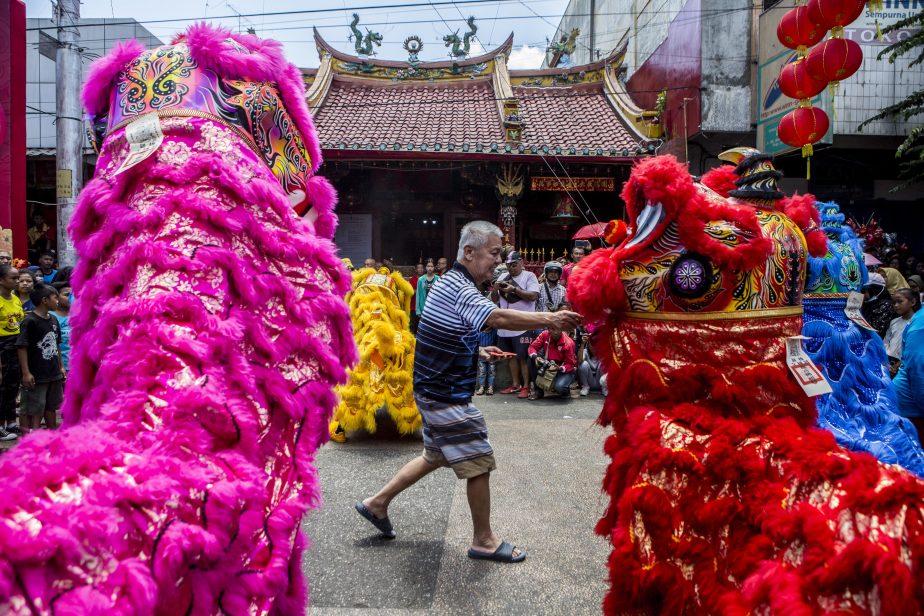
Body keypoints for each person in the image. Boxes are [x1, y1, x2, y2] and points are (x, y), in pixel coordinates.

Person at [355, 220, 581, 563]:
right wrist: (550, 320)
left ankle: (377, 503)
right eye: (493, 253)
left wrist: (475, 351)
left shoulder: (452, 286)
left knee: (435, 455)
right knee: (478, 460)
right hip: (444, 394)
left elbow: (440, 332)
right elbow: (497, 319)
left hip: (434, 390)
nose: (498, 262)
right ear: (469, 252)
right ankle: (484, 540)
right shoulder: (459, 287)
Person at [16, 284, 65, 435]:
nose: (57, 301)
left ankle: (52, 437)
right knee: (31, 408)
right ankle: (28, 441)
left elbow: (56, 345)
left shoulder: (54, 320)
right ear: (44, 300)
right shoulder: (29, 321)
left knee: (50, 406)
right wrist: (26, 373)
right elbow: (21, 347)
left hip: (53, 372)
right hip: (36, 374)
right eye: (55, 297)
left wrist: (61, 366)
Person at [492, 251, 540, 398]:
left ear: (521, 262)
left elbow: (533, 296)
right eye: (509, 265)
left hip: (523, 324)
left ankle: (526, 386)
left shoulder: (529, 276)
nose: (511, 268)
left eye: (514, 265)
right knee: (510, 356)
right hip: (505, 325)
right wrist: (496, 289)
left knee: (523, 356)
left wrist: (514, 290)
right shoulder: (502, 277)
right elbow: (494, 299)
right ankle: (515, 384)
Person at [527, 322, 577, 400]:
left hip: (563, 369)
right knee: (531, 359)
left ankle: (565, 391)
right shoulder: (544, 334)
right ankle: (538, 391)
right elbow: (532, 347)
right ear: (548, 329)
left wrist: (559, 368)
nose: (556, 332)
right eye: (552, 329)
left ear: (562, 329)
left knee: (560, 387)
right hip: (548, 365)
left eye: (558, 329)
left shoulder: (569, 343)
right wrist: (535, 357)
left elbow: (571, 364)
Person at [0, 265, 22, 441]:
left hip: (15, 345)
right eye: (13, 278)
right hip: (2, 346)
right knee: (1, 387)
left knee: (12, 385)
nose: (17, 281)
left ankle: (11, 421)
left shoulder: (15, 299)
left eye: (17, 278)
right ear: (1, 280)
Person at [861, 272, 898, 339]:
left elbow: (876, 329)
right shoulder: (865, 304)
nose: (862, 295)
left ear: (876, 290)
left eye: (864, 291)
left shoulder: (887, 306)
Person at [577, 326, 608, 396]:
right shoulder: (585, 351)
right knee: (583, 364)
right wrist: (582, 344)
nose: (594, 348)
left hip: (600, 380)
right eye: (592, 345)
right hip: (589, 381)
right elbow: (579, 361)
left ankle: (604, 388)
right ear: (588, 345)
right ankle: (585, 387)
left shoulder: (603, 352)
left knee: (604, 363)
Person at [52, 282, 72, 374]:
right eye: (67, 295)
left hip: (76, 366)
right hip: (57, 367)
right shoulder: (50, 316)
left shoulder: (79, 315)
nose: (71, 297)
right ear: (56, 297)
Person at [475, 326, 497, 396]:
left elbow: (496, 342)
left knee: (492, 372)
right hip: (482, 356)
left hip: (492, 356)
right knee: (482, 372)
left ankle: (490, 387)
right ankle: (481, 387)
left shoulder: (494, 332)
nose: (487, 326)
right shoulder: (479, 332)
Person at [408, 262, 425, 333]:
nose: (420, 269)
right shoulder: (412, 280)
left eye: (422, 268)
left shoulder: (426, 278)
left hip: (424, 306)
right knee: (414, 325)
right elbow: (410, 292)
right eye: (419, 268)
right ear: (416, 270)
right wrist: (419, 289)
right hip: (414, 306)